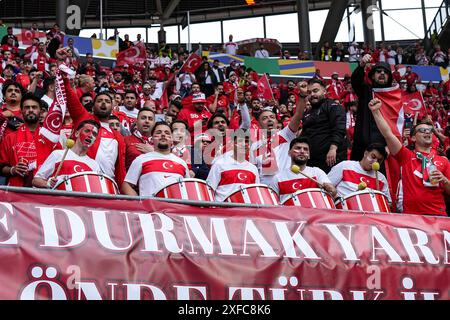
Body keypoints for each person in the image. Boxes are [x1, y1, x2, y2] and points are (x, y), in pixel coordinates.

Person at [368, 97, 450, 216]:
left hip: (438, 216)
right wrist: (376, 112)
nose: (427, 132)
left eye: (430, 130)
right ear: (413, 138)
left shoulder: (444, 161)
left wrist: (444, 179)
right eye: (422, 130)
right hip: (412, 217)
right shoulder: (406, 156)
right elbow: (388, 134)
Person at [59, 50, 126, 188]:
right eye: (99, 100)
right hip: (78, 182)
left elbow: (120, 171)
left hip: (108, 187)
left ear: (113, 106)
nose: (103, 103)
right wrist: (62, 66)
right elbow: (70, 96)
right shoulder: (83, 118)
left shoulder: (118, 137)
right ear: (93, 106)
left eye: (107, 101)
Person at [121, 122, 190, 196]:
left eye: (167, 133)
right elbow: (126, 186)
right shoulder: (141, 159)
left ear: (172, 138)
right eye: (158, 132)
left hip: (177, 206)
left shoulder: (181, 163)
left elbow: (188, 187)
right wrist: (139, 204)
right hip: (150, 206)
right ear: (152, 138)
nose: (163, 135)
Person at [32, 120, 101, 189]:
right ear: (76, 133)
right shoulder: (58, 154)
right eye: (87, 131)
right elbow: (36, 180)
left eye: (94, 134)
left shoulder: (94, 165)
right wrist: (47, 183)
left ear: (95, 140)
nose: (90, 135)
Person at [350, 54, 393, 161]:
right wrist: (361, 66)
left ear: (389, 77)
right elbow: (356, 81)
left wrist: (390, 144)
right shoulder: (365, 90)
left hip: (384, 148)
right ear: (372, 76)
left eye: (386, 72)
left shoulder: (394, 96)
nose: (382, 73)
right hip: (362, 146)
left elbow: (396, 123)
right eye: (378, 71)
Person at [300, 79, 346, 173]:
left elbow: (339, 128)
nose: (312, 94)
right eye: (309, 92)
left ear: (324, 91)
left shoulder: (333, 106)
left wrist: (333, 149)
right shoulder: (307, 113)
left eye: (315, 91)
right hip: (311, 161)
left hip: (330, 159)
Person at [270, 137, 336, 203]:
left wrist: (331, 189)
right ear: (289, 153)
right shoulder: (278, 178)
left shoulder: (317, 172)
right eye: (298, 148)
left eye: (305, 149)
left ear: (309, 155)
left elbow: (333, 192)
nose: (302, 151)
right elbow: (273, 204)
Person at [0, 93, 43, 187]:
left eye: (34, 107)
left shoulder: (49, 137)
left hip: (44, 192)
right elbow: (1, 167)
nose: (30, 110)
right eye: (27, 107)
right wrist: (13, 170)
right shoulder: (10, 138)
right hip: (16, 191)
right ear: (21, 111)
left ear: (41, 111)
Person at [206, 130, 259, 202]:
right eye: (240, 141)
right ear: (232, 144)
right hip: (223, 210)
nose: (244, 144)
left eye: (246, 141)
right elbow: (209, 190)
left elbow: (255, 193)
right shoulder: (219, 164)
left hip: (246, 210)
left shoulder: (253, 168)